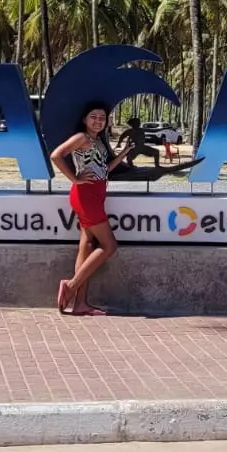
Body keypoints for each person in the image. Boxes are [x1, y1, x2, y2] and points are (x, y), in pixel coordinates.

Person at [50, 102, 130, 316]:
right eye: (93, 117)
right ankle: (71, 285)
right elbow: (56, 155)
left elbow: (104, 169)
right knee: (109, 245)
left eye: (102, 118)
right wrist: (74, 179)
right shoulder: (81, 138)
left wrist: (123, 153)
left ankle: (80, 304)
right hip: (86, 197)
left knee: (86, 246)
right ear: (85, 119)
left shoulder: (98, 141)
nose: (98, 121)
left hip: (95, 195)